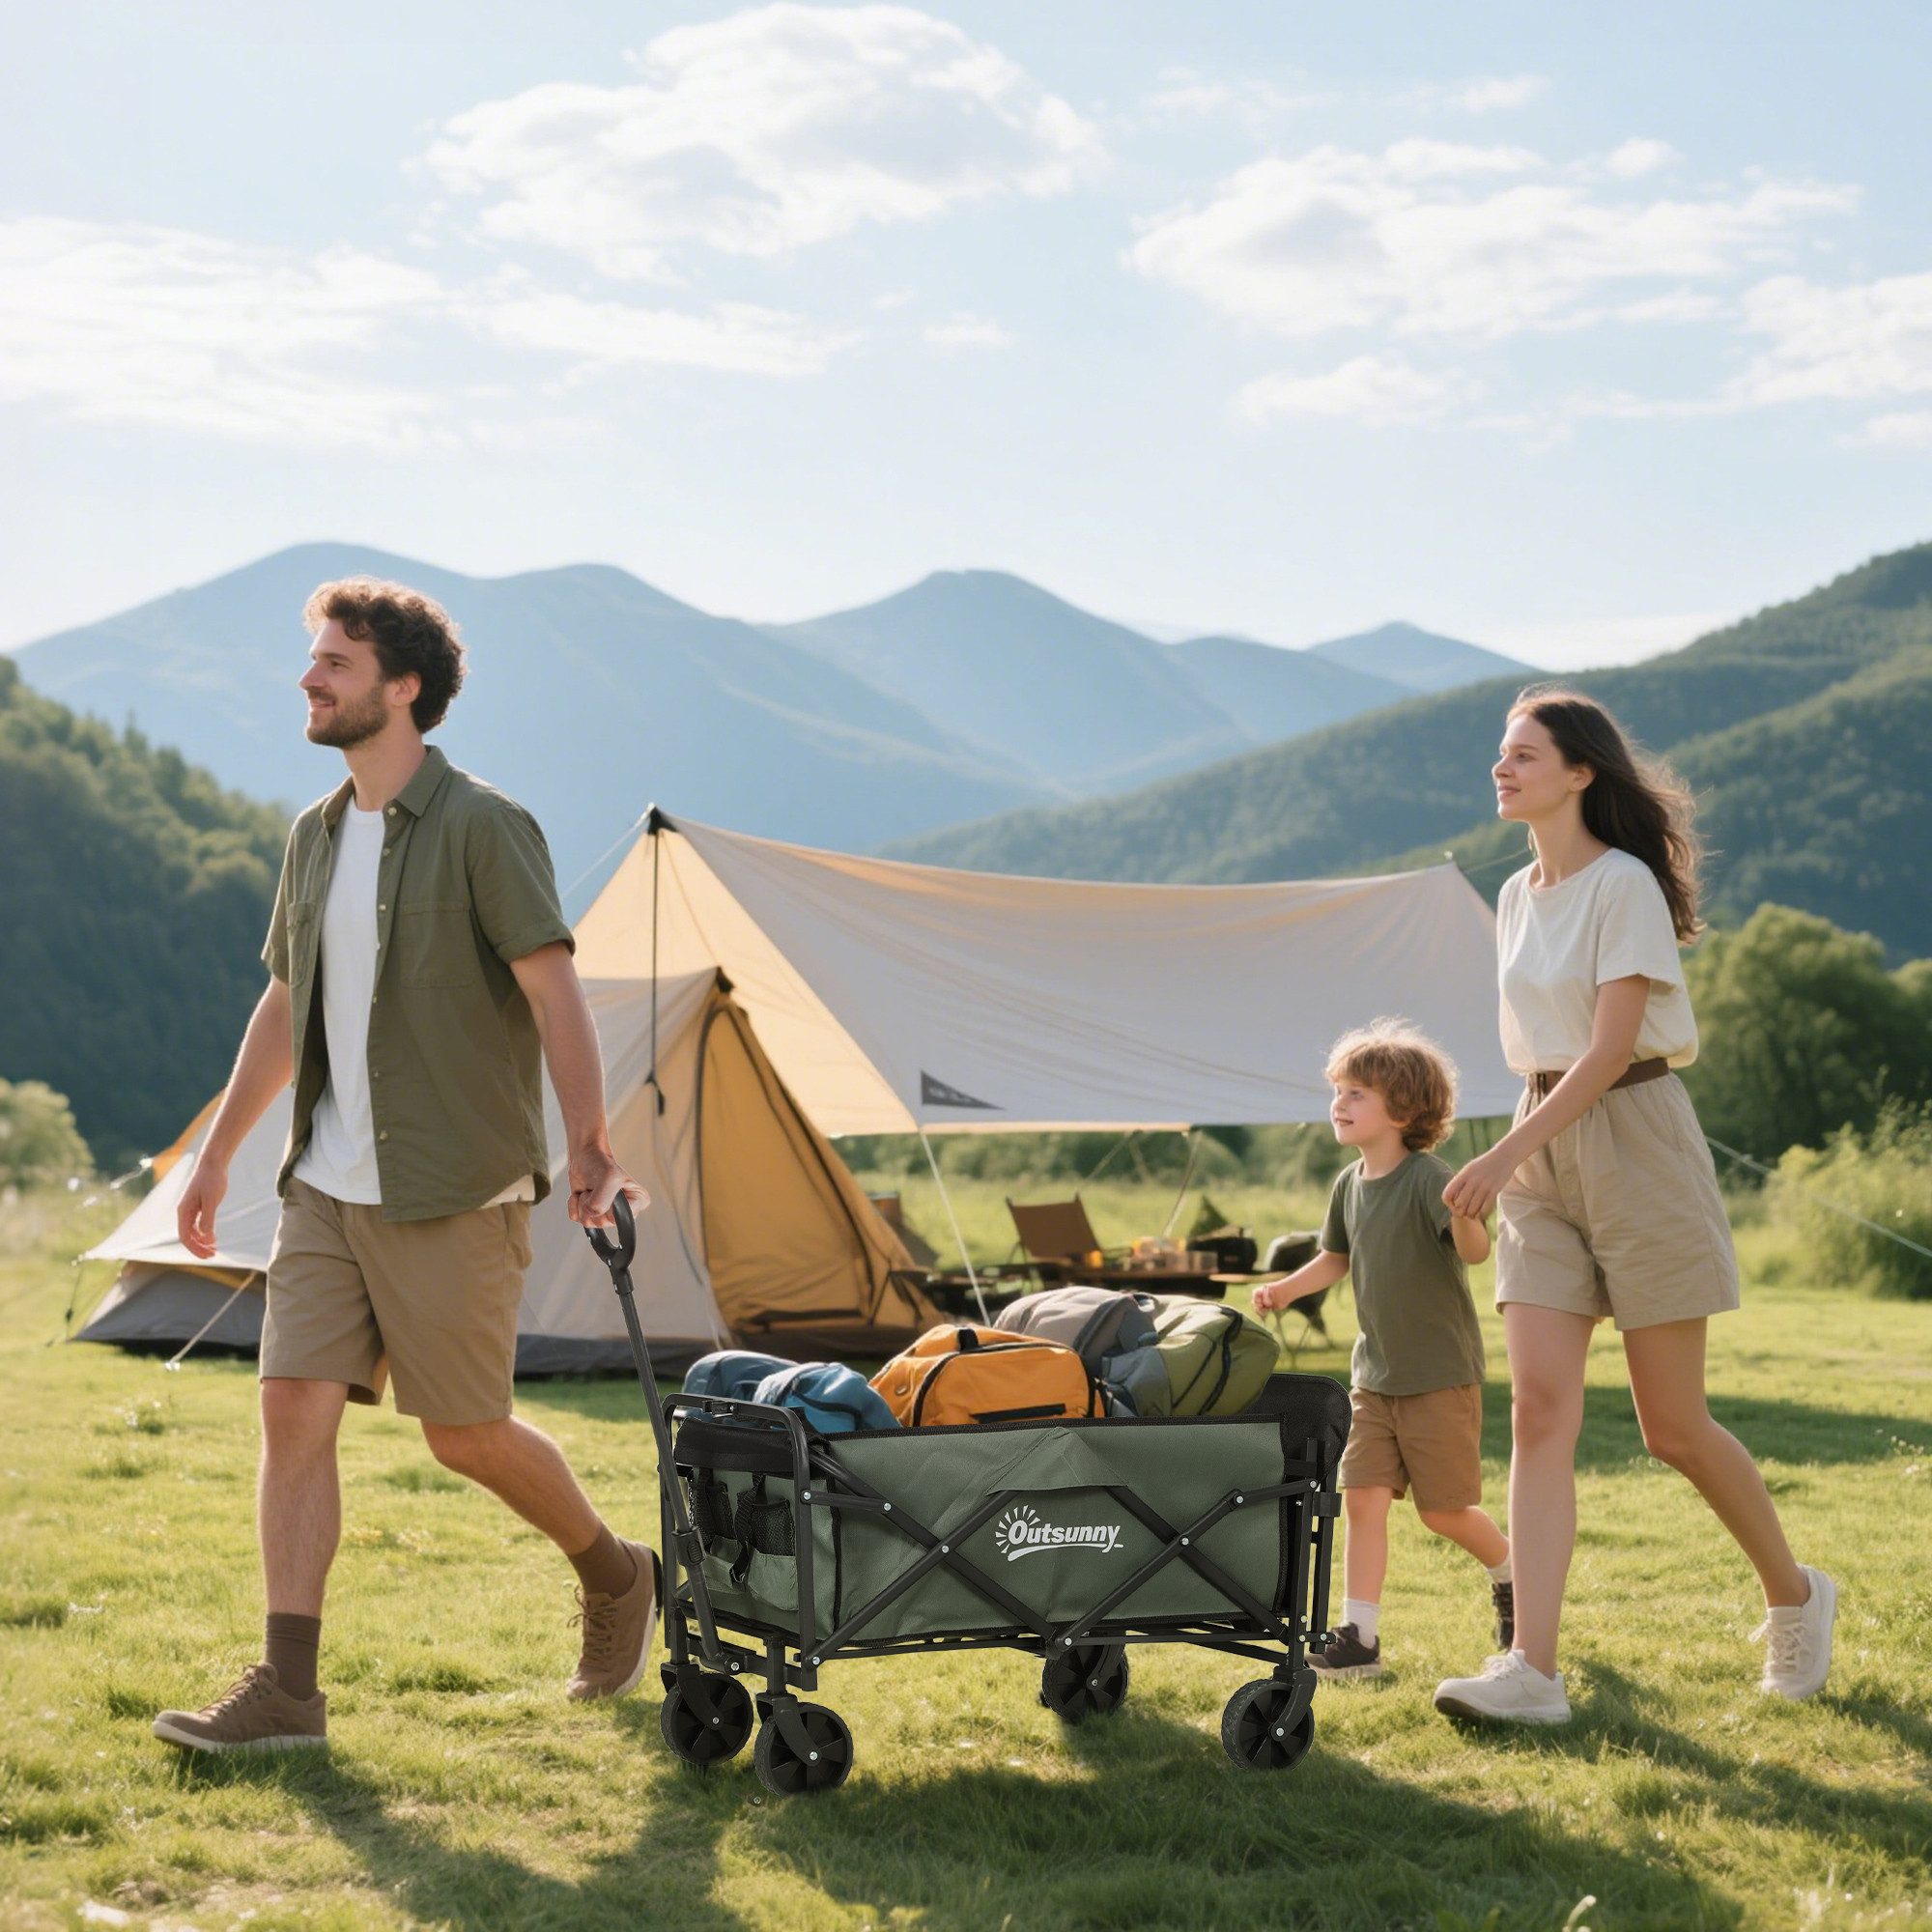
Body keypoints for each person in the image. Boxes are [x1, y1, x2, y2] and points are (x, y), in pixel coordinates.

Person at [153, 578, 657, 1755]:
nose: (310, 677)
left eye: (334, 660)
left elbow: (552, 991)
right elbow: (284, 1003)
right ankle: (288, 1692)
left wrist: (588, 1139)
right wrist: (217, 1156)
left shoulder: (485, 825)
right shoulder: (315, 835)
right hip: (325, 1184)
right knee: (292, 1410)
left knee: (465, 1433)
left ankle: (616, 1570)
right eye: (313, 658)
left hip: (451, 1186)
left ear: (403, 686)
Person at [1432, 689, 1836, 1726]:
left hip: (1633, 1135)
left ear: (1578, 772)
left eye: (1522, 754)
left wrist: (1503, 1151)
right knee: (1536, 1408)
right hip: (1541, 1146)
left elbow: (1609, 1047)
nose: (1500, 768)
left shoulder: (1622, 886)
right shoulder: (1518, 892)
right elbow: (1543, 1046)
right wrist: (1519, 1148)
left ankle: (1794, 1594)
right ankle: (1532, 1666)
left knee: (1671, 1425)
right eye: (1499, 753)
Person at [1255, 1021, 1511, 1681]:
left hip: (1438, 1377)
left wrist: (1464, 1215)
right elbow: (1334, 1257)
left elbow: (1475, 1252)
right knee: (1362, 1499)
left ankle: (1513, 1574)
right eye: (1337, 1090)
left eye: (1357, 1093)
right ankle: (1360, 1640)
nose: (1339, 1103)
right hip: (1373, 1379)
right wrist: (1286, 1289)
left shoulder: (1431, 1179)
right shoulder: (1348, 1183)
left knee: (1443, 1511)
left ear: (1404, 1108)